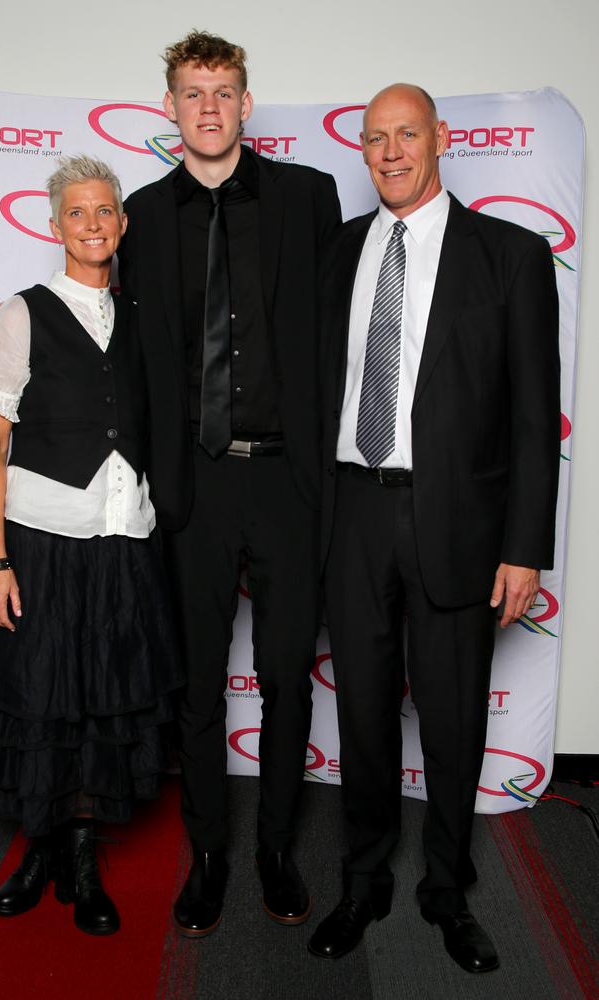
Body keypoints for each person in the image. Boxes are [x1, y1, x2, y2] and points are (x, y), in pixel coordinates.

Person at [308, 84, 560, 971]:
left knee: (452, 721)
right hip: (355, 509)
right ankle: (364, 879)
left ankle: (448, 889)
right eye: (374, 138)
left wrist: (525, 547)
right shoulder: (338, 253)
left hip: (457, 517)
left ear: (441, 139)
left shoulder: (512, 256)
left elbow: (536, 417)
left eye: (406, 134)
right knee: (367, 715)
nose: (388, 152)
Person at [118, 30, 341, 937]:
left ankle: (276, 847)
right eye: (192, 92)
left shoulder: (309, 198)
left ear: (247, 105)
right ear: (170, 108)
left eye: (223, 91)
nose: (208, 107)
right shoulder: (141, 212)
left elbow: (341, 337)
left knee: (289, 675)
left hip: (288, 479)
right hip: (194, 487)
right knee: (198, 683)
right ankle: (209, 852)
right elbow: (134, 364)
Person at [0, 155, 183, 936]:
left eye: (105, 211)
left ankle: (84, 859)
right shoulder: (21, 314)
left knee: (99, 706)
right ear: (55, 226)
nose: (92, 224)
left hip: (124, 541)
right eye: (77, 213)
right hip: (43, 542)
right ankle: (37, 851)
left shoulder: (142, 317)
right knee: (41, 703)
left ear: (121, 223)